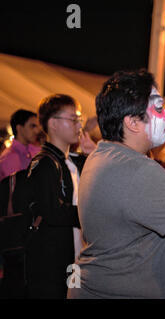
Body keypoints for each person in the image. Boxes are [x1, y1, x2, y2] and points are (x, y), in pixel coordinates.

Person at [67, 59, 165, 299]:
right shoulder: (135, 171)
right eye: (159, 109)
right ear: (132, 123)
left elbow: (155, 136)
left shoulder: (106, 152)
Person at [25, 94, 86, 298]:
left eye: (80, 119)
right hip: (52, 261)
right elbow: (53, 211)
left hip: (75, 256)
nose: (79, 125)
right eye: (73, 119)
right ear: (53, 124)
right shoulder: (44, 163)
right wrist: (92, 214)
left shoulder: (73, 163)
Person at [0, 109, 41, 181]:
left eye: (37, 126)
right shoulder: (10, 157)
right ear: (19, 128)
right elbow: (17, 189)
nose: (37, 131)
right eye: (32, 126)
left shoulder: (34, 150)